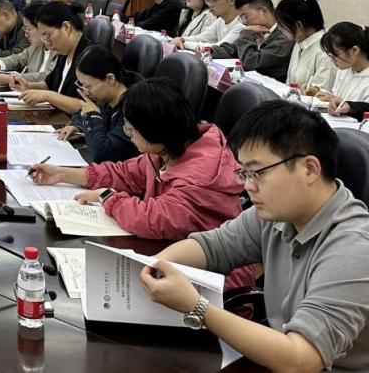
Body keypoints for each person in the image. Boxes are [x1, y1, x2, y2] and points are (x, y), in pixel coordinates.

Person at [143, 101, 369, 371]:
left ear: (309, 169)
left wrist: (198, 307)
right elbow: (214, 246)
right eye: (244, 173)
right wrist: (156, 264)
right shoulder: (279, 210)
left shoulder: (354, 248)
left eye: (257, 173)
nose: (248, 186)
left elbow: (302, 359)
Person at [30, 78, 253, 290]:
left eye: (130, 129)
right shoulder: (169, 147)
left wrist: (107, 197)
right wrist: (63, 174)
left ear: (154, 130)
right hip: (171, 260)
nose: (128, 134)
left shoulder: (199, 176)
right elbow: (124, 173)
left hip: (213, 286)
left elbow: (150, 219)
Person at [55, 46, 138, 164]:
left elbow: (102, 154)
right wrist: (78, 127)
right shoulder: (106, 97)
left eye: (88, 86)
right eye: (82, 86)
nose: (85, 92)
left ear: (110, 79)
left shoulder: (133, 108)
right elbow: (81, 112)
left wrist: (92, 116)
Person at [13, 1, 93, 114]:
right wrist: (28, 86)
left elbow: (88, 106)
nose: (47, 44)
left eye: (47, 35)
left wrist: (48, 96)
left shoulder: (90, 57)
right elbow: (50, 84)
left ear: (66, 27)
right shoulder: (64, 52)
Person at [221, 0, 294, 82]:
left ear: (262, 11)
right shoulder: (256, 30)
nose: (244, 22)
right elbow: (231, 50)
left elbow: (249, 63)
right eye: (241, 18)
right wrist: (210, 51)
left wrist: (247, 33)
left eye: (245, 16)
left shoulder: (284, 37)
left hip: (268, 88)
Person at [0, 1, 58, 87]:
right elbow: (18, 58)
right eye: (25, 30)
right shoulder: (35, 47)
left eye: (28, 29)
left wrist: (7, 79)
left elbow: (46, 76)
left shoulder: (59, 50)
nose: (26, 35)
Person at [275, 0, 336, 90]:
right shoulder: (299, 41)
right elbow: (290, 84)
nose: (280, 31)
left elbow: (321, 93)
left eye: (282, 27)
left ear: (299, 25)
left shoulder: (325, 51)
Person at [173, 0, 245, 57]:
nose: (210, 5)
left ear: (231, 0)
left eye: (214, 0)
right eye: (208, 0)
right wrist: (182, 39)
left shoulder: (242, 25)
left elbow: (218, 48)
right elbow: (202, 38)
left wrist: (185, 43)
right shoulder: (220, 20)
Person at [312, 22, 369, 106]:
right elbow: (337, 96)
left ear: (354, 50)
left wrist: (343, 104)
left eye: (334, 55)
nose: (332, 60)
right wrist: (318, 92)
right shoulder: (345, 69)